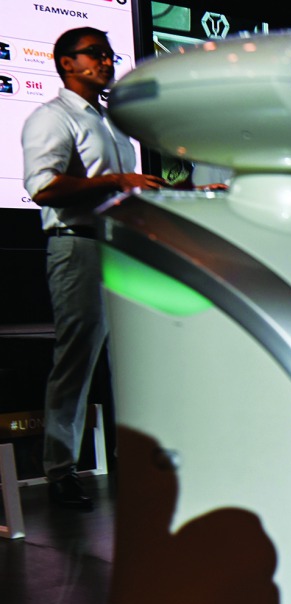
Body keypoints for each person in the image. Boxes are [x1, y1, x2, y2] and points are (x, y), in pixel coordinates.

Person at [22, 27, 167, 509]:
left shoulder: (110, 122)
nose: (106, 62)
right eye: (95, 54)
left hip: (122, 248)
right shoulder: (53, 117)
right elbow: (43, 187)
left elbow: (123, 188)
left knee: (133, 360)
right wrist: (118, 179)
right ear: (66, 63)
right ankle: (60, 470)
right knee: (77, 361)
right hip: (79, 245)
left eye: (109, 54)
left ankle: (137, 460)